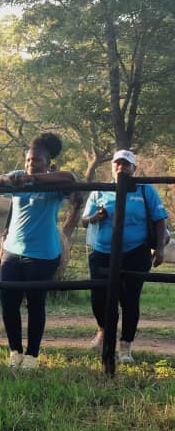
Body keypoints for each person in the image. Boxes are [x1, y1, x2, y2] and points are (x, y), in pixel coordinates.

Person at [0, 132, 77, 370]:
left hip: (43, 254)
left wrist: (37, 179)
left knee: (35, 305)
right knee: (8, 303)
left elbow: (71, 178)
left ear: (48, 163)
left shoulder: (55, 184)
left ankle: (32, 356)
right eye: (28, 160)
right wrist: (8, 178)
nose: (30, 164)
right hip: (12, 252)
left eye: (36, 160)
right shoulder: (19, 178)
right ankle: (15, 352)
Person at [81, 149, 169, 364]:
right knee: (99, 299)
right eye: (117, 163)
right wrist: (96, 217)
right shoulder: (100, 190)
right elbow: (84, 220)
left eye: (126, 164)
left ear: (134, 168)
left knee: (129, 300)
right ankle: (103, 331)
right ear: (112, 166)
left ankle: (125, 346)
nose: (121, 167)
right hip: (103, 252)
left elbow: (159, 219)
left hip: (135, 252)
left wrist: (159, 248)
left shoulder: (145, 189)